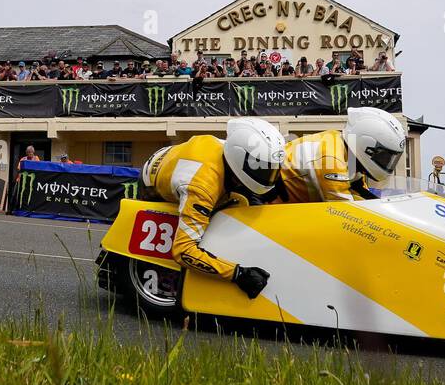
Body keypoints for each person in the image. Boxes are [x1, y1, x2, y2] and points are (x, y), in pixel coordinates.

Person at [138, 118, 285, 298]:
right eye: (263, 170)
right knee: (197, 235)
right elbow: (183, 251)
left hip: (178, 159)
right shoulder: (202, 188)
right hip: (154, 182)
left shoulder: (233, 149)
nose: (268, 176)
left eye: (271, 171)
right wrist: (237, 273)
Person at [276, 107, 407, 204]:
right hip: (271, 210)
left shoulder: (344, 149)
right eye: (385, 156)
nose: (387, 162)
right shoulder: (332, 160)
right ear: (368, 146)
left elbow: (360, 195)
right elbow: (348, 211)